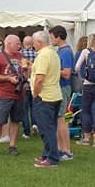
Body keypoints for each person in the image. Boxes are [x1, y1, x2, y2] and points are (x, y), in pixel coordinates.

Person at [0, 34, 25, 157]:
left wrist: (25, 75)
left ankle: (12, 145)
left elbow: (25, 72)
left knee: (15, 120)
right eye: (17, 43)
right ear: (8, 44)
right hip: (4, 93)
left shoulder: (21, 56)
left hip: (19, 94)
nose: (19, 46)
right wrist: (8, 79)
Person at [31, 31, 62, 168]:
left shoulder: (43, 55)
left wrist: (35, 93)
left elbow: (39, 78)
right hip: (55, 94)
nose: (33, 45)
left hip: (45, 96)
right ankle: (47, 153)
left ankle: (52, 158)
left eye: (34, 42)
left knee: (46, 128)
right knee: (50, 126)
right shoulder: (53, 53)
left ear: (39, 42)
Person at [49, 25, 74, 161]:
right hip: (59, 87)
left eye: (52, 37)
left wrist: (51, 70)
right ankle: (59, 148)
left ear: (59, 37)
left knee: (61, 119)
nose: (51, 40)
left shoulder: (65, 52)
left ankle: (67, 150)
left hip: (63, 87)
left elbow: (66, 73)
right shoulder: (60, 51)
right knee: (57, 119)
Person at [20, 35, 37, 139]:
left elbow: (22, 68)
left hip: (25, 83)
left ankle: (26, 131)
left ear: (23, 43)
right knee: (34, 106)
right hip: (35, 82)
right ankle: (35, 124)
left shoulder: (21, 54)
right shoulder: (37, 54)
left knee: (24, 108)